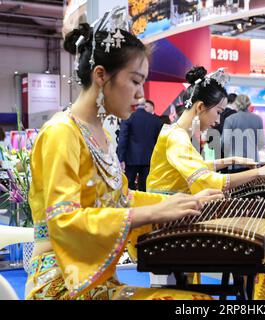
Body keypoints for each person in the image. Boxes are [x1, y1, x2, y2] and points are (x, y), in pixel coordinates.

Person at [25, 7, 223, 301]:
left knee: (197, 301)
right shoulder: (61, 133)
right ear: (101, 75)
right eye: (135, 80)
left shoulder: (102, 134)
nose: (141, 95)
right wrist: (155, 212)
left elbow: (123, 198)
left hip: (95, 280)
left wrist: (180, 202)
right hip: (60, 283)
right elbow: (64, 220)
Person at [146, 66, 265, 300]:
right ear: (200, 108)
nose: (218, 120)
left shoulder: (177, 133)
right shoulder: (177, 137)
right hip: (166, 219)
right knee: (167, 290)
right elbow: (204, 179)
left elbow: (195, 168)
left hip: (175, 213)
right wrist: (258, 173)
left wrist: (230, 159)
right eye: (218, 112)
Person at [117, 98, 162, 191]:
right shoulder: (155, 120)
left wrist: (120, 158)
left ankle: (131, 205)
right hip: (149, 158)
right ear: (144, 105)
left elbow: (123, 138)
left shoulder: (128, 117)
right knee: (145, 187)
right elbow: (159, 141)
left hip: (131, 158)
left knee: (128, 186)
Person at [222, 94, 265, 172]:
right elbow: (261, 143)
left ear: (236, 104)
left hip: (235, 164)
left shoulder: (230, 119)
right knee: (253, 184)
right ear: (249, 104)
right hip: (253, 163)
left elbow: (225, 142)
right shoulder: (258, 119)